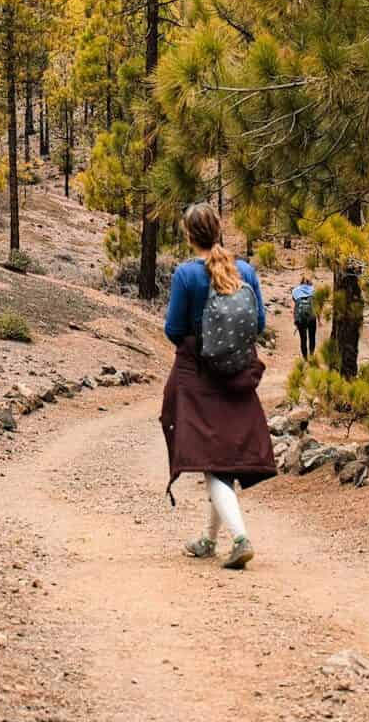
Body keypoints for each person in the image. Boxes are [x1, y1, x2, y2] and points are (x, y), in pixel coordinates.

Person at [160, 203, 277, 570]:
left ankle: (240, 539)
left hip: (198, 374)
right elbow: (258, 323)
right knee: (219, 459)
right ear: (219, 229)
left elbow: (174, 330)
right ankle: (209, 540)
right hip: (238, 372)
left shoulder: (186, 275)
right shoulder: (245, 270)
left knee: (211, 463)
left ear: (188, 235)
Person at [292, 276, 317, 359]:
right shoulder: (313, 289)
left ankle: (305, 358)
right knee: (312, 337)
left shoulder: (295, 290)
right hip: (312, 316)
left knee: (303, 338)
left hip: (300, 317)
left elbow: (295, 301)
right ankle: (312, 355)